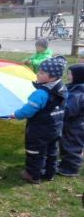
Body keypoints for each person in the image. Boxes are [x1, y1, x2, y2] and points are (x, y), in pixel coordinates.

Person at [11, 56, 67, 184]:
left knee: (35, 152)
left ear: (52, 77)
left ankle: (33, 175)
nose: (38, 74)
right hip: (56, 127)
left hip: (39, 130)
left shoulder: (41, 93)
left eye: (42, 72)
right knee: (52, 151)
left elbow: (29, 110)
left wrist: (16, 115)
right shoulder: (62, 88)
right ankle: (49, 173)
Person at [58, 64, 84, 177]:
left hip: (74, 125)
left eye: (70, 73)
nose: (67, 75)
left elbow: (69, 110)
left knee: (71, 146)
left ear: (78, 76)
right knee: (66, 144)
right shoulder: (75, 87)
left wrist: (59, 107)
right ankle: (66, 164)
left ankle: (71, 169)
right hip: (71, 123)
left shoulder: (79, 93)